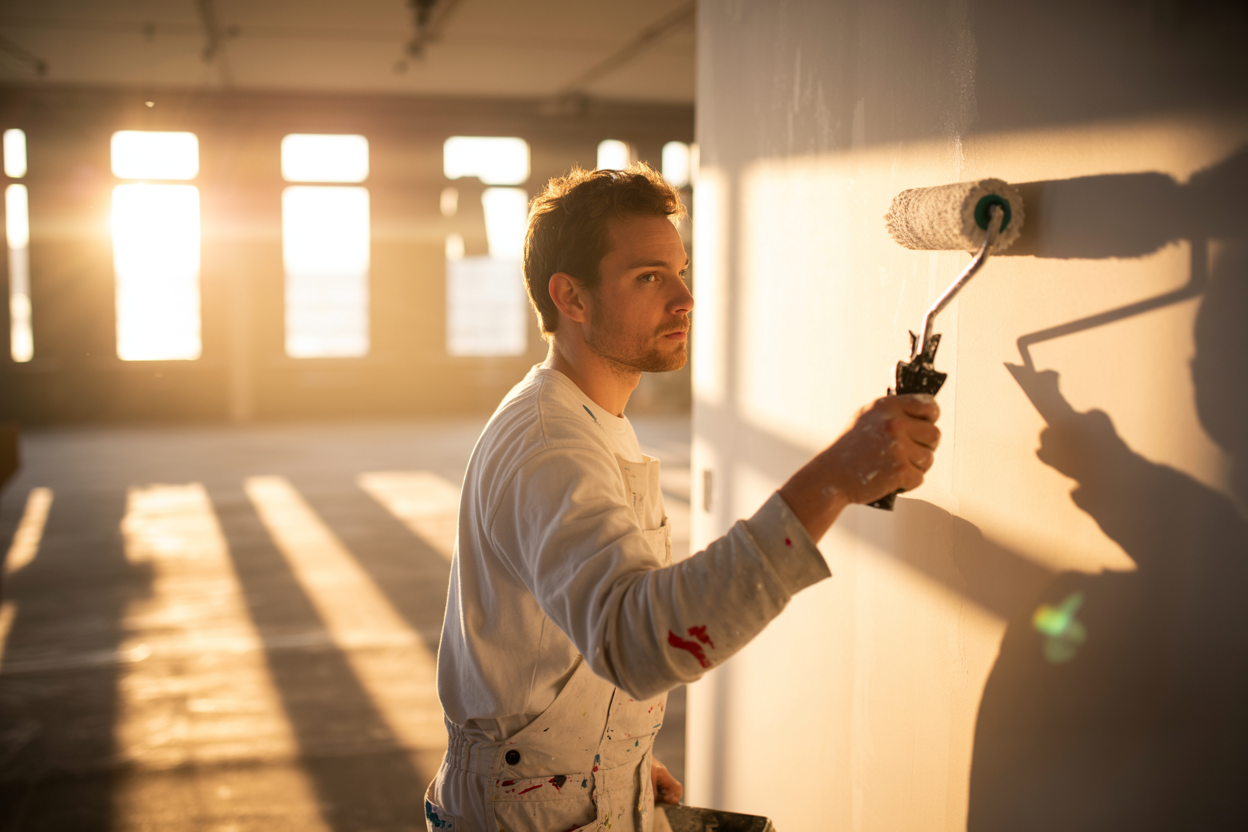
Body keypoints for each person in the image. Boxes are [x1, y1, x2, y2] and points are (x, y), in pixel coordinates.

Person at [424, 163, 941, 831]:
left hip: (562, 793)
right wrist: (833, 480)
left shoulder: (585, 415)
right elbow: (638, 640)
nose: (684, 299)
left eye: (680, 271)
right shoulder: (550, 446)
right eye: (649, 277)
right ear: (571, 299)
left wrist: (613, 756)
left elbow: (572, 625)